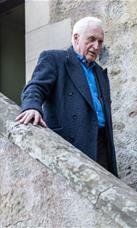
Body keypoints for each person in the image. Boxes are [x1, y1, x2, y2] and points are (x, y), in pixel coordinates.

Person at [15, 17, 118, 177]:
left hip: (101, 144)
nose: (96, 46)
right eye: (91, 39)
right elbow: (36, 86)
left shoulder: (100, 72)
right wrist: (31, 107)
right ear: (76, 38)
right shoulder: (54, 59)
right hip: (71, 142)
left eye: (100, 41)